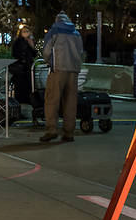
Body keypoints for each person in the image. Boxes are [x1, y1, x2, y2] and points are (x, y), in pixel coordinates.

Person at [40, 12, 83, 143]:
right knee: (70, 101)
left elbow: (47, 50)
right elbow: (81, 51)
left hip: (58, 69)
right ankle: (69, 132)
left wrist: (50, 62)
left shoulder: (54, 30)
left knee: (52, 99)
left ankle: (51, 130)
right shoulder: (76, 33)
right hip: (73, 70)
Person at [11, 24, 37, 105]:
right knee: (20, 87)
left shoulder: (30, 41)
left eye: (27, 31)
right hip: (20, 69)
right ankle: (19, 101)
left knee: (28, 86)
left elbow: (34, 54)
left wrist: (31, 45)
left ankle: (28, 100)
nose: (26, 33)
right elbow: (15, 53)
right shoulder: (18, 42)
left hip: (28, 68)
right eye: (24, 31)